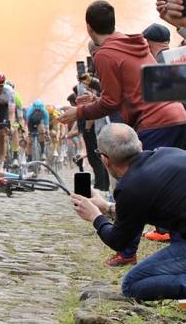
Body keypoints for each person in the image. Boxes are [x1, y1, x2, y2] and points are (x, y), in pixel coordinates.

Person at [61, 0, 186, 266]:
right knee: (170, 182)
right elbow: (129, 88)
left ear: (88, 27)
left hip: (154, 120)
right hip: (175, 112)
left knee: (133, 179)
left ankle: (127, 250)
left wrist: (78, 113)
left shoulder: (105, 53)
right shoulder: (135, 42)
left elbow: (111, 102)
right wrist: (93, 101)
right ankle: (179, 246)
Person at [70, 123, 186, 300]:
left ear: (105, 159)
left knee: (131, 284)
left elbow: (119, 241)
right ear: (139, 145)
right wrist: (106, 207)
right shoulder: (168, 152)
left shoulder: (130, 187)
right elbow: (136, 213)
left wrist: (95, 217)